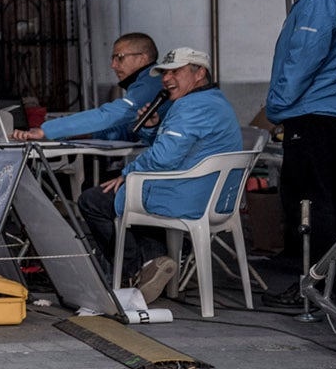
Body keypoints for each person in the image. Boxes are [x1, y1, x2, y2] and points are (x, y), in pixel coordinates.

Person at [76, 48, 243, 305]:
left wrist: (127, 172)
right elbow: (177, 148)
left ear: (200, 73)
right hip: (210, 196)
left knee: (93, 200)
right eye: (164, 73)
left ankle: (136, 270)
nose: (166, 79)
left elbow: (164, 157)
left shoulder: (190, 106)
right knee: (129, 196)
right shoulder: (214, 101)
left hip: (187, 197)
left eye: (175, 71)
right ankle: (157, 260)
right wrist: (153, 127)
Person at [262, 0, 336, 281]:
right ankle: (323, 284)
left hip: (313, 115)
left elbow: (304, 58)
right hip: (317, 114)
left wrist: (276, 105)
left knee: (308, 205)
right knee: (315, 201)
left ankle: (317, 284)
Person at [13, 33, 164, 143]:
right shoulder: (146, 82)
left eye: (120, 57)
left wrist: (45, 130)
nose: (113, 65)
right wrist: (89, 134)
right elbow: (131, 130)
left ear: (143, 58)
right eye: (113, 58)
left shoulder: (150, 82)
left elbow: (109, 115)